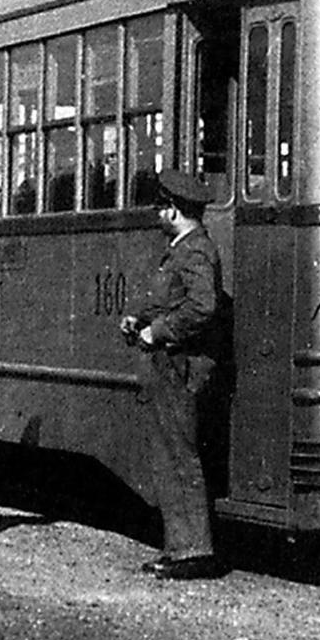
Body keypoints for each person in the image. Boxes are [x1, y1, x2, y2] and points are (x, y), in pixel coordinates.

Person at [119, 169, 228, 580]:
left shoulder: (195, 250)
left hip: (180, 367)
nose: (156, 215)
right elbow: (173, 300)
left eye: (160, 207)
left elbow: (202, 307)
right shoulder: (181, 249)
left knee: (179, 456)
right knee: (167, 455)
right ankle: (180, 546)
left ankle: (194, 550)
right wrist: (139, 318)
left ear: (174, 210)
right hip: (169, 364)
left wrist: (159, 331)